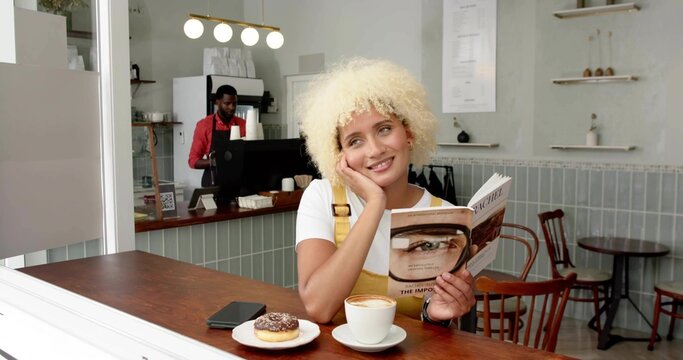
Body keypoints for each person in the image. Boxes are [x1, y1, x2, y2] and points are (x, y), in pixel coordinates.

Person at [295, 58, 476, 324]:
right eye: (355, 141)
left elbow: (431, 318)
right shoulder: (321, 196)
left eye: (384, 129)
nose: (375, 149)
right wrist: (375, 203)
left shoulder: (445, 217)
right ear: (339, 154)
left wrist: (434, 314)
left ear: (409, 133)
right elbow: (319, 307)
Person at [188, 84, 246, 187]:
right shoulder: (204, 125)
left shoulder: (243, 124)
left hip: (239, 183)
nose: (232, 107)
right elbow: (193, 161)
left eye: (234, 103)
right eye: (227, 103)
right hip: (213, 183)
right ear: (217, 102)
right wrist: (216, 161)